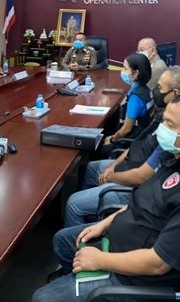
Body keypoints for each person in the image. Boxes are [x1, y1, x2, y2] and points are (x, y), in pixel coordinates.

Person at [31, 97, 180, 302]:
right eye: (163, 121)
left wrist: (99, 260)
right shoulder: (172, 159)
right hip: (120, 240)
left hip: (134, 279)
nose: (162, 129)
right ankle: (74, 282)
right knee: (63, 240)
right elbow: (138, 202)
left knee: (42, 300)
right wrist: (104, 223)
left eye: (170, 125)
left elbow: (157, 264)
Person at [65, 67, 180, 228]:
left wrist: (112, 176)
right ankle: (92, 218)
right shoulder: (162, 116)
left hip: (134, 186)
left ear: (175, 93)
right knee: (86, 170)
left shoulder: (171, 141)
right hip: (129, 165)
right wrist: (113, 165)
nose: (155, 90)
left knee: (74, 204)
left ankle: (86, 230)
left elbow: (141, 177)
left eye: (160, 87)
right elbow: (137, 143)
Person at [103, 52, 153, 146]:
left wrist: (112, 140)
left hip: (132, 141)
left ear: (135, 73)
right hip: (142, 134)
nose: (122, 71)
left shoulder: (135, 98)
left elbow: (126, 129)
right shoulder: (144, 89)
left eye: (125, 69)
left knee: (99, 147)